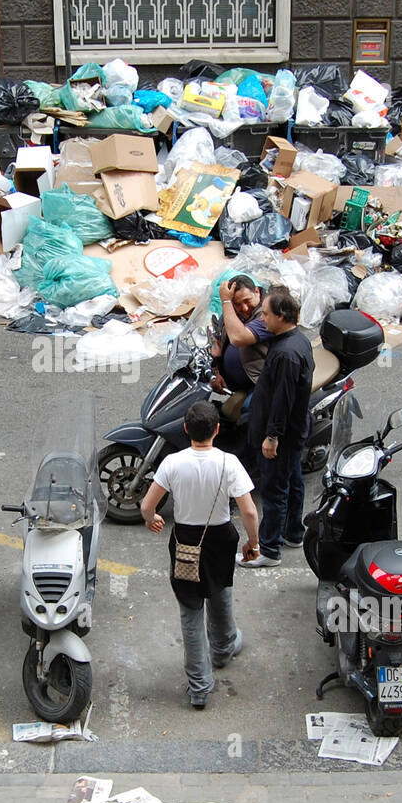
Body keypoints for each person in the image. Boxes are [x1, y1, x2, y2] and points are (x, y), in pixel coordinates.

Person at [140, 401, 259, 709]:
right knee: (220, 592)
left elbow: (146, 505)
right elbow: (248, 510)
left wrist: (152, 518)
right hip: (220, 540)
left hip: (185, 543)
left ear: (185, 430)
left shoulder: (172, 463)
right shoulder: (229, 463)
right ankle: (223, 649)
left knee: (190, 613)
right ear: (217, 429)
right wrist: (252, 544)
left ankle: (199, 688)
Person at [240, 286, 315, 569]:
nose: (262, 320)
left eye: (267, 314)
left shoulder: (285, 353)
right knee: (293, 482)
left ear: (282, 316)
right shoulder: (297, 341)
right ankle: (293, 533)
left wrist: (271, 437)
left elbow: (282, 400)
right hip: (294, 433)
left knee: (274, 491)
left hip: (281, 436)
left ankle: (269, 550)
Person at [209, 276, 271, 421]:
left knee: (248, 414)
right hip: (234, 382)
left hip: (260, 381)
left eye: (247, 301)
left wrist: (226, 302)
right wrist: (215, 372)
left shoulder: (267, 315)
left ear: (257, 292)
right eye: (237, 303)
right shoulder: (231, 311)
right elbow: (215, 337)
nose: (244, 308)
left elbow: (238, 338)